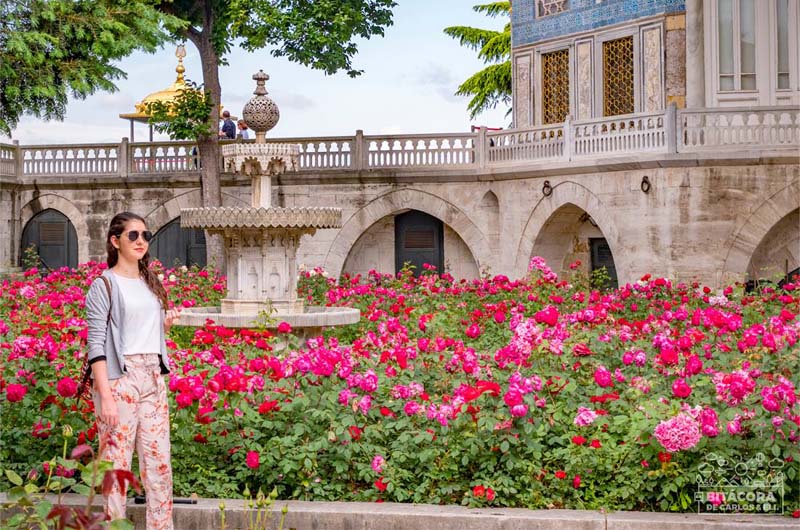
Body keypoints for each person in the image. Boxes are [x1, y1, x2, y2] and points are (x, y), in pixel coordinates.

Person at [85, 212, 180, 529]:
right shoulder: (104, 285)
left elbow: (144, 332)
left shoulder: (150, 281)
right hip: (119, 380)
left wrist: (162, 326)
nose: (141, 241)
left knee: (159, 466)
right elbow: (96, 345)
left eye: (146, 236)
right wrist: (107, 397)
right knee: (117, 467)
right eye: (133, 236)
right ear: (115, 241)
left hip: (153, 377)